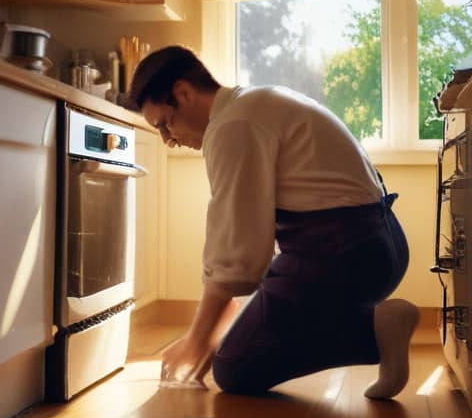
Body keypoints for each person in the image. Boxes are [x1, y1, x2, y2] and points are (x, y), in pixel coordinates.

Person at [123, 44, 420, 399]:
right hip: (380, 243)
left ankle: (376, 332)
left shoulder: (232, 126)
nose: (168, 140)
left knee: (233, 368)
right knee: (241, 338)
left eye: (165, 123)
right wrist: (217, 329)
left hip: (345, 253)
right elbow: (248, 254)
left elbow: (239, 254)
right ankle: (374, 327)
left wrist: (197, 339)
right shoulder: (252, 103)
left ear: (183, 93)